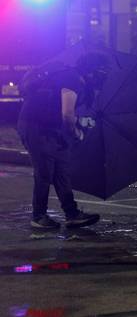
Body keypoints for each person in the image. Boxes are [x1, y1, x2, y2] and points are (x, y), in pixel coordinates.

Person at [17, 54, 106, 229]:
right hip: (36, 126)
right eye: (101, 72)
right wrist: (76, 133)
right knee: (45, 172)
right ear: (91, 71)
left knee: (62, 170)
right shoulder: (73, 80)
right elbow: (67, 114)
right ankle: (39, 216)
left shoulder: (77, 80)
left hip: (50, 127)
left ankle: (72, 214)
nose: (103, 76)